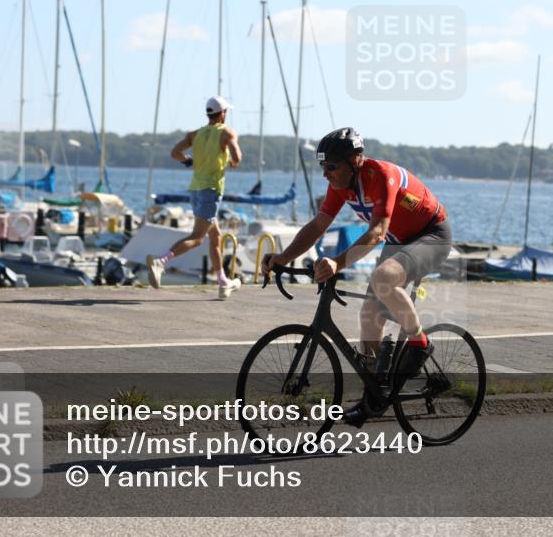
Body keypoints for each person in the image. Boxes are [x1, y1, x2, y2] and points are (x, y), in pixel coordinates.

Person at [261, 127, 451, 425]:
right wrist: (283, 257)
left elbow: (377, 233)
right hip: (399, 242)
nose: (325, 174)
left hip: (432, 235)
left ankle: (420, 343)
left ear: (355, 161)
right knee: (369, 316)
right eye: (322, 167)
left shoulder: (381, 176)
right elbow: (318, 225)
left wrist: (337, 263)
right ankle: (373, 396)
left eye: (331, 166)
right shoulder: (341, 185)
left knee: (383, 278)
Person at [147, 95, 243, 298]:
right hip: (211, 190)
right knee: (198, 238)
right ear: (223, 113)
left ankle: (223, 282)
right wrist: (232, 162)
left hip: (196, 189)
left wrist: (189, 161)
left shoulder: (195, 134)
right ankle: (160, 262)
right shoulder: (227, 132)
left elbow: (175, 153)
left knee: (215, 236)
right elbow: (237, 156)